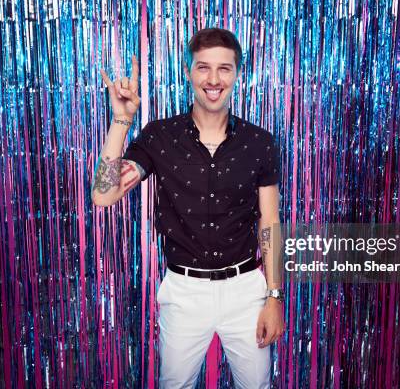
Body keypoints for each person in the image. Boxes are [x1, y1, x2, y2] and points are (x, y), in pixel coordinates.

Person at [91, 28, 284, 388]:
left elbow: (269, 221)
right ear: (187, 72)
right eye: (203, 68)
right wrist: (121, 120)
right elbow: (103, 195)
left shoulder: (260, 143)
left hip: (246, 291)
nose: (213, 79)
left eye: (224, 69)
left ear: (237, 74)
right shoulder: (159, 137)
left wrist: (273, 297)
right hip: (183, 291)